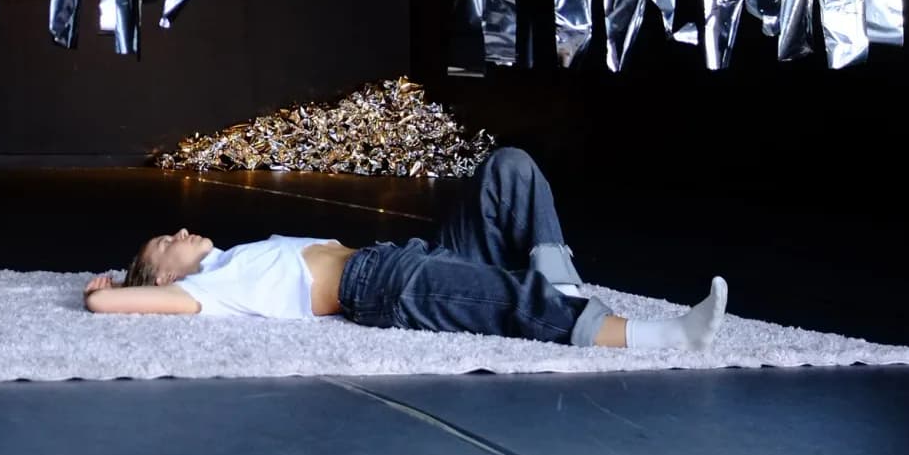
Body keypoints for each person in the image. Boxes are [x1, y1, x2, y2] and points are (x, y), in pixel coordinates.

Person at [83, 147, 727, 350]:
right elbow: (112, 311)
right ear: (161, 280)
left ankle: (560, 286)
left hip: (407, 254)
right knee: (503, 302)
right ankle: (664, 337)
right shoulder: (203, 293)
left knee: (509, 167)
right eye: (167, 242)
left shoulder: (226, 261)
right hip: (380, 285)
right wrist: (104, 289)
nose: (180, 232)